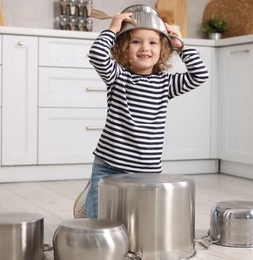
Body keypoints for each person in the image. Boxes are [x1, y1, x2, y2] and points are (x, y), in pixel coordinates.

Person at [84, 8, 209, 219]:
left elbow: (200, 75)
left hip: (146, 170)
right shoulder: (118, 77)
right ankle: (88, 202)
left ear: (163, 48)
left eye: (153, 42)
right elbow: (97, 54)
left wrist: (181, 46)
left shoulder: (165, 84)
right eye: (136, 42)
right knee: (100, 220)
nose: (145, 48)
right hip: (109, 166)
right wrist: (113, 29)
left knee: (139, 218)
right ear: (123, 47)